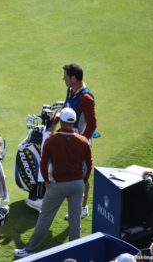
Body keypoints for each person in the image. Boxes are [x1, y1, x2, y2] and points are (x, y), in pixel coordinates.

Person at [14, 108, 93, 258]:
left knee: (45, 218)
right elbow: (89, 164)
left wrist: (47, 181)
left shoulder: (51, 140)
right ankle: (76, 253)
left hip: (57, 185)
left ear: (62, 122)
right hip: (77, 185)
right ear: (74, 122)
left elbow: (43, 164)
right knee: (75, 221)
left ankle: (30, 250)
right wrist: (83, 180)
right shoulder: (83, 141)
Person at [61, 63, 97, 220]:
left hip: (80, 143)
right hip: (68, 140)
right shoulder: (71, 91)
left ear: (73, 78)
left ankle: (82, 207)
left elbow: (92, 124)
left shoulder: (86, 98)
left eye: (66, 76)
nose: (63, 78)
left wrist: (81, 142)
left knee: (82, 176)